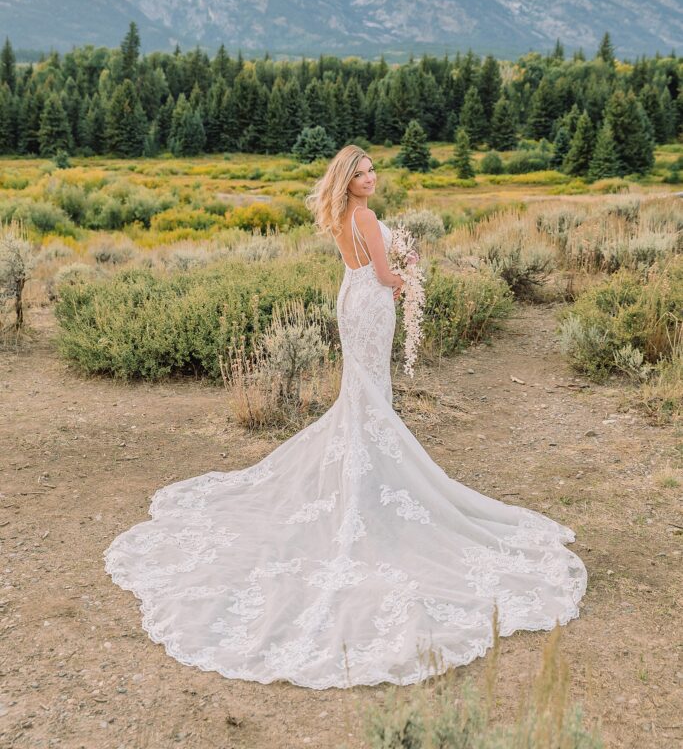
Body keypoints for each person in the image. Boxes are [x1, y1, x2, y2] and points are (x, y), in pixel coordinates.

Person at [104, 145, 587, 689]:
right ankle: (371, 472)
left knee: (361, 391)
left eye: (372, 170)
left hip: (349, 302)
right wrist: (407, 275)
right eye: (361, 173)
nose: (371, 178)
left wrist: (393, 271)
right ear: (347, 180)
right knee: (370, 391)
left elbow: (360, 268)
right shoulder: (367, 218)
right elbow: (382, 274)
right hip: (372, 305)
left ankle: (366, 464)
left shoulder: (339, 217)